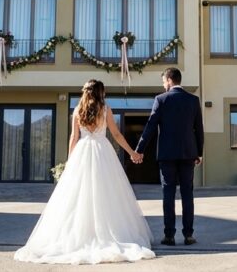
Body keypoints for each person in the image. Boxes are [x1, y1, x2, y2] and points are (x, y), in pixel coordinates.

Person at [14, 80, 155, 265]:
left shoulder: (77, 110)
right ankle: (106, 232)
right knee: (106, 192)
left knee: (78, 195)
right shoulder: (105, 109)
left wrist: (70, 162)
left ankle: (78, 234)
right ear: (100, 92)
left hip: (82, 151)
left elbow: (74, 137)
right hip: (102, 152)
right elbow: (117, 135)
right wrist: (133, 153)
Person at [135, 67, 204, 246]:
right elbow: (199, 129)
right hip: (188, 153)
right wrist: (199, 153)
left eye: (163, 81)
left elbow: (150, 126)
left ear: (169, 80)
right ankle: (189, 235)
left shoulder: (161, 99)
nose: (163, 85)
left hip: (167, 155)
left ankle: (169, 236)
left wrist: (139, 149)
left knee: (168, 194)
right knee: (187, 194)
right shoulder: (193, 100)